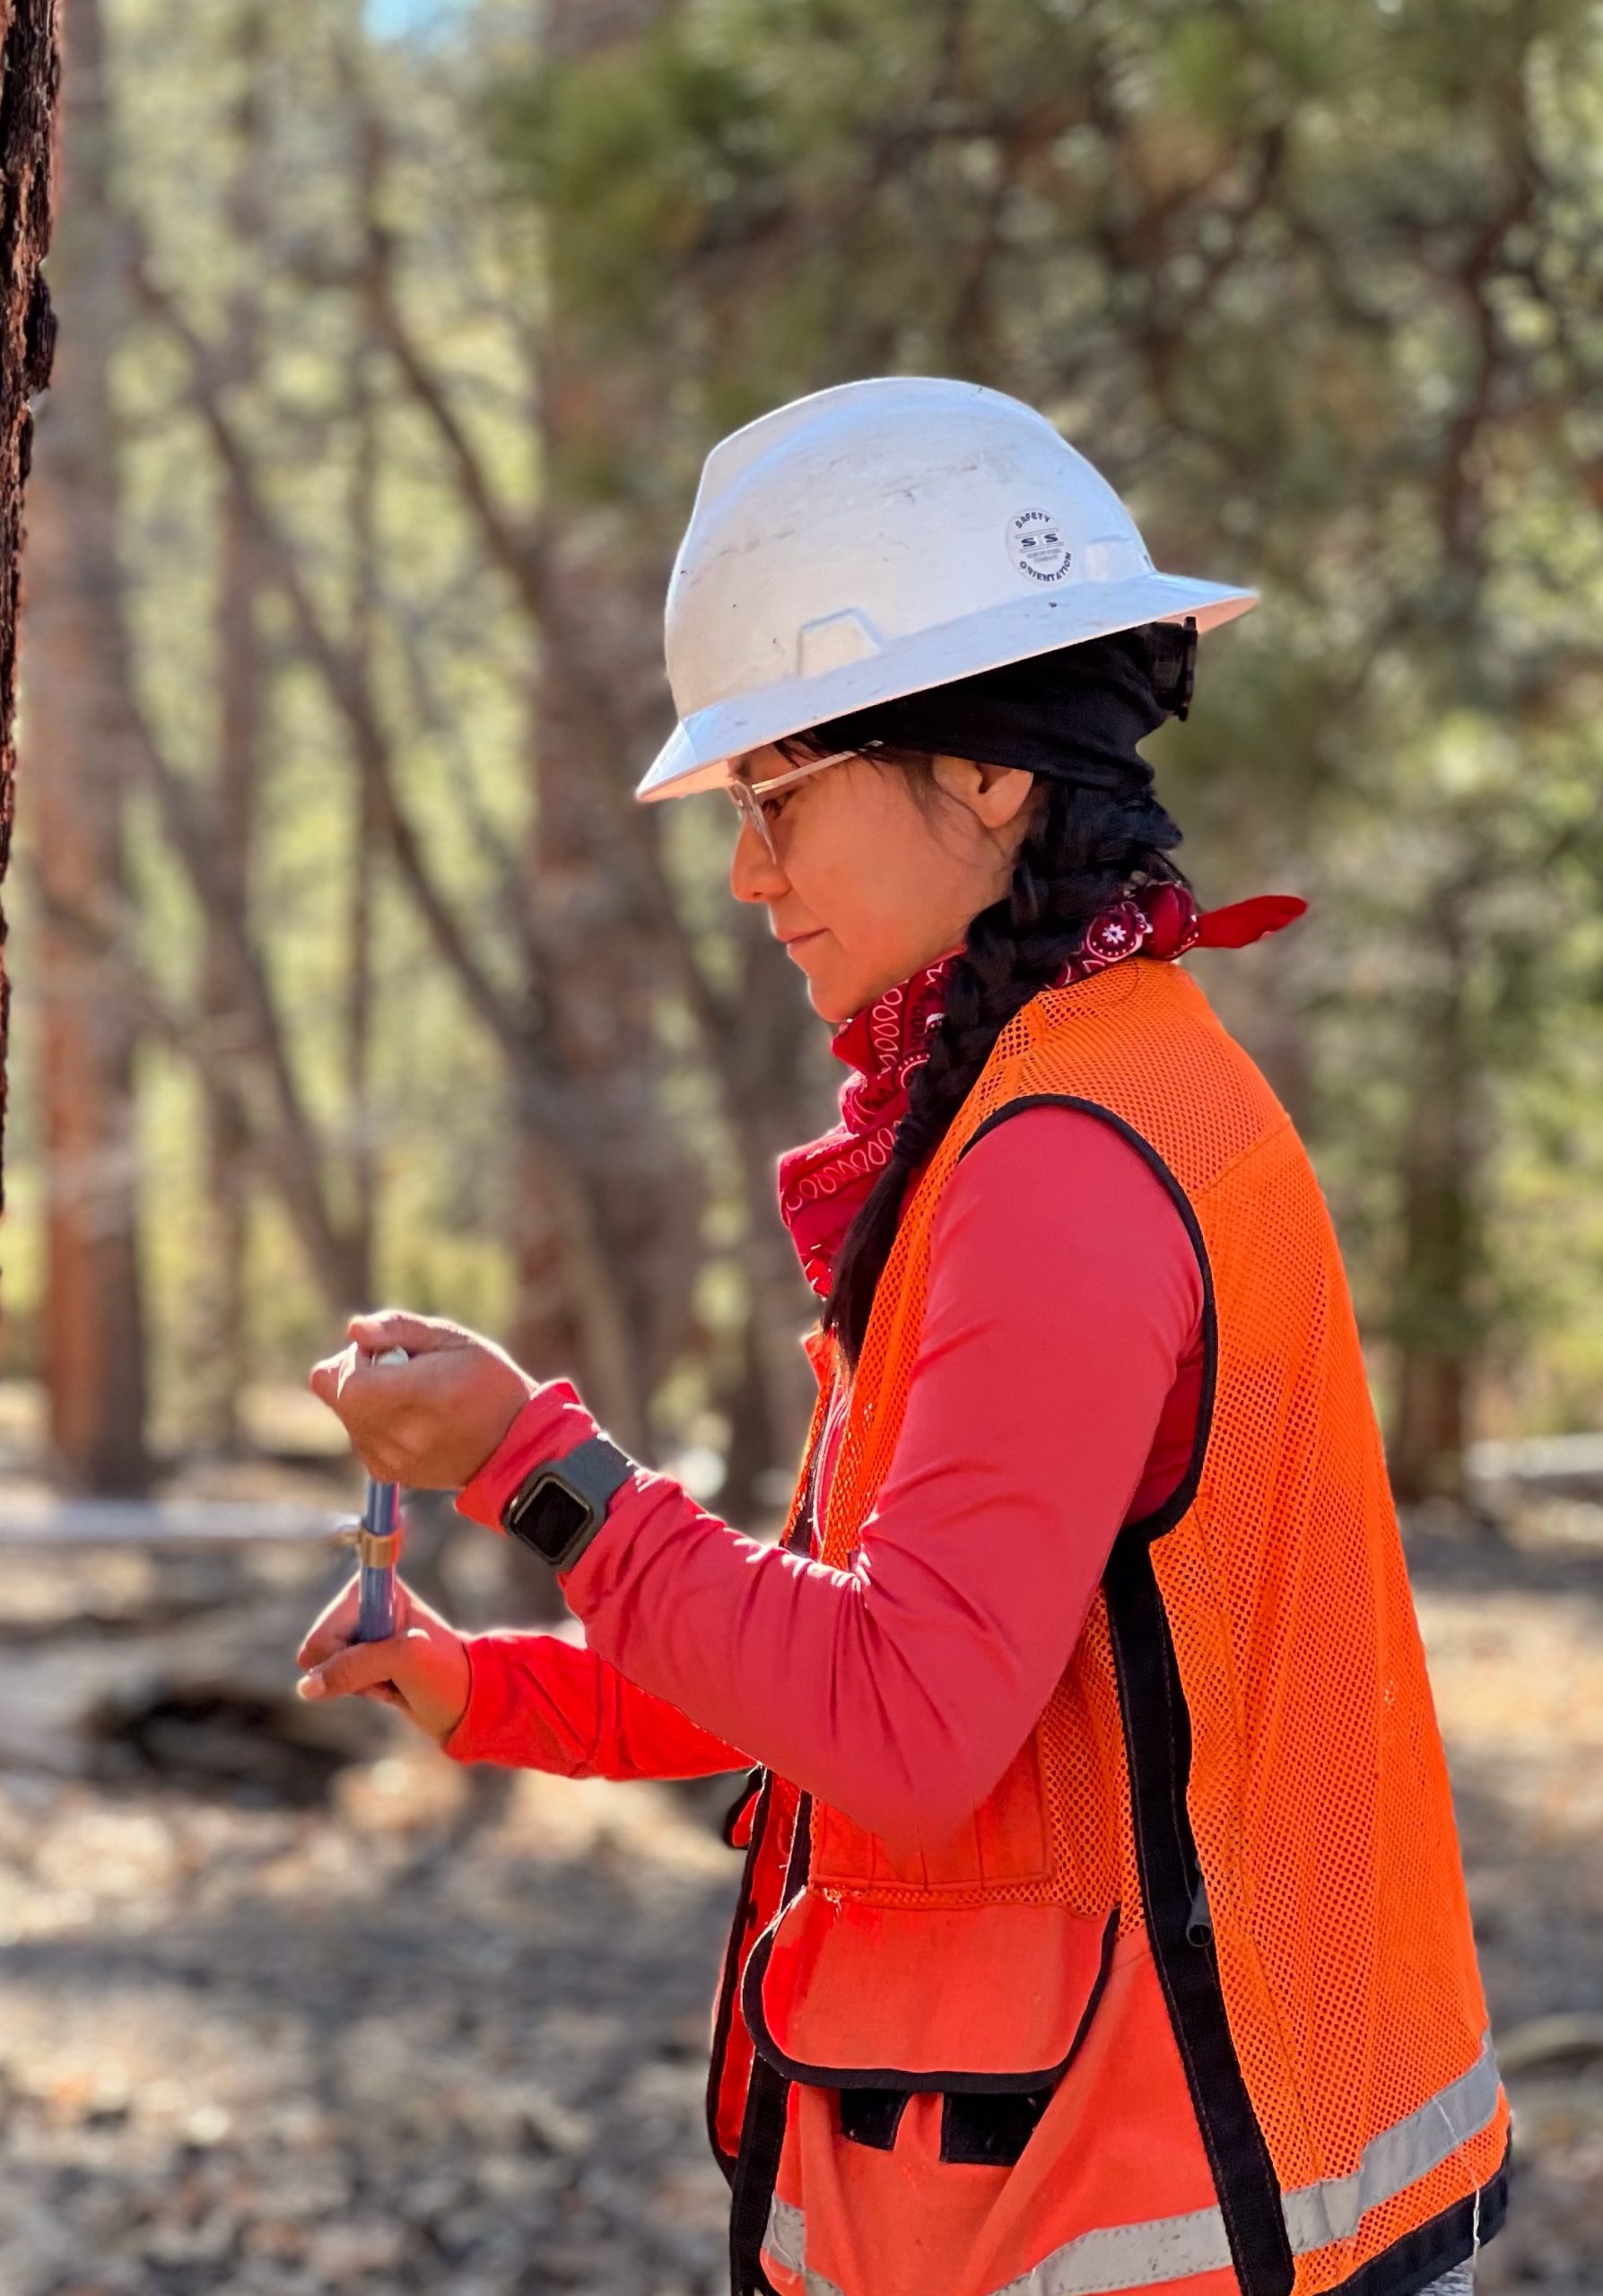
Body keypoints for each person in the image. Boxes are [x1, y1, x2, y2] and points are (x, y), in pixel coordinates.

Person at [294, 379, 1504, 2296]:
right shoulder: (1066, 1095)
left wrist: (537, 1465)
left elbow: (906, 1720)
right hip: (1168, 2181)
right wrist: (489, 1686)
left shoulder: (1058, 1162)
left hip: (1117, 2213)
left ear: (993, 771)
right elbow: (876, 1646)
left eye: (776, 799)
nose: (748, 870)